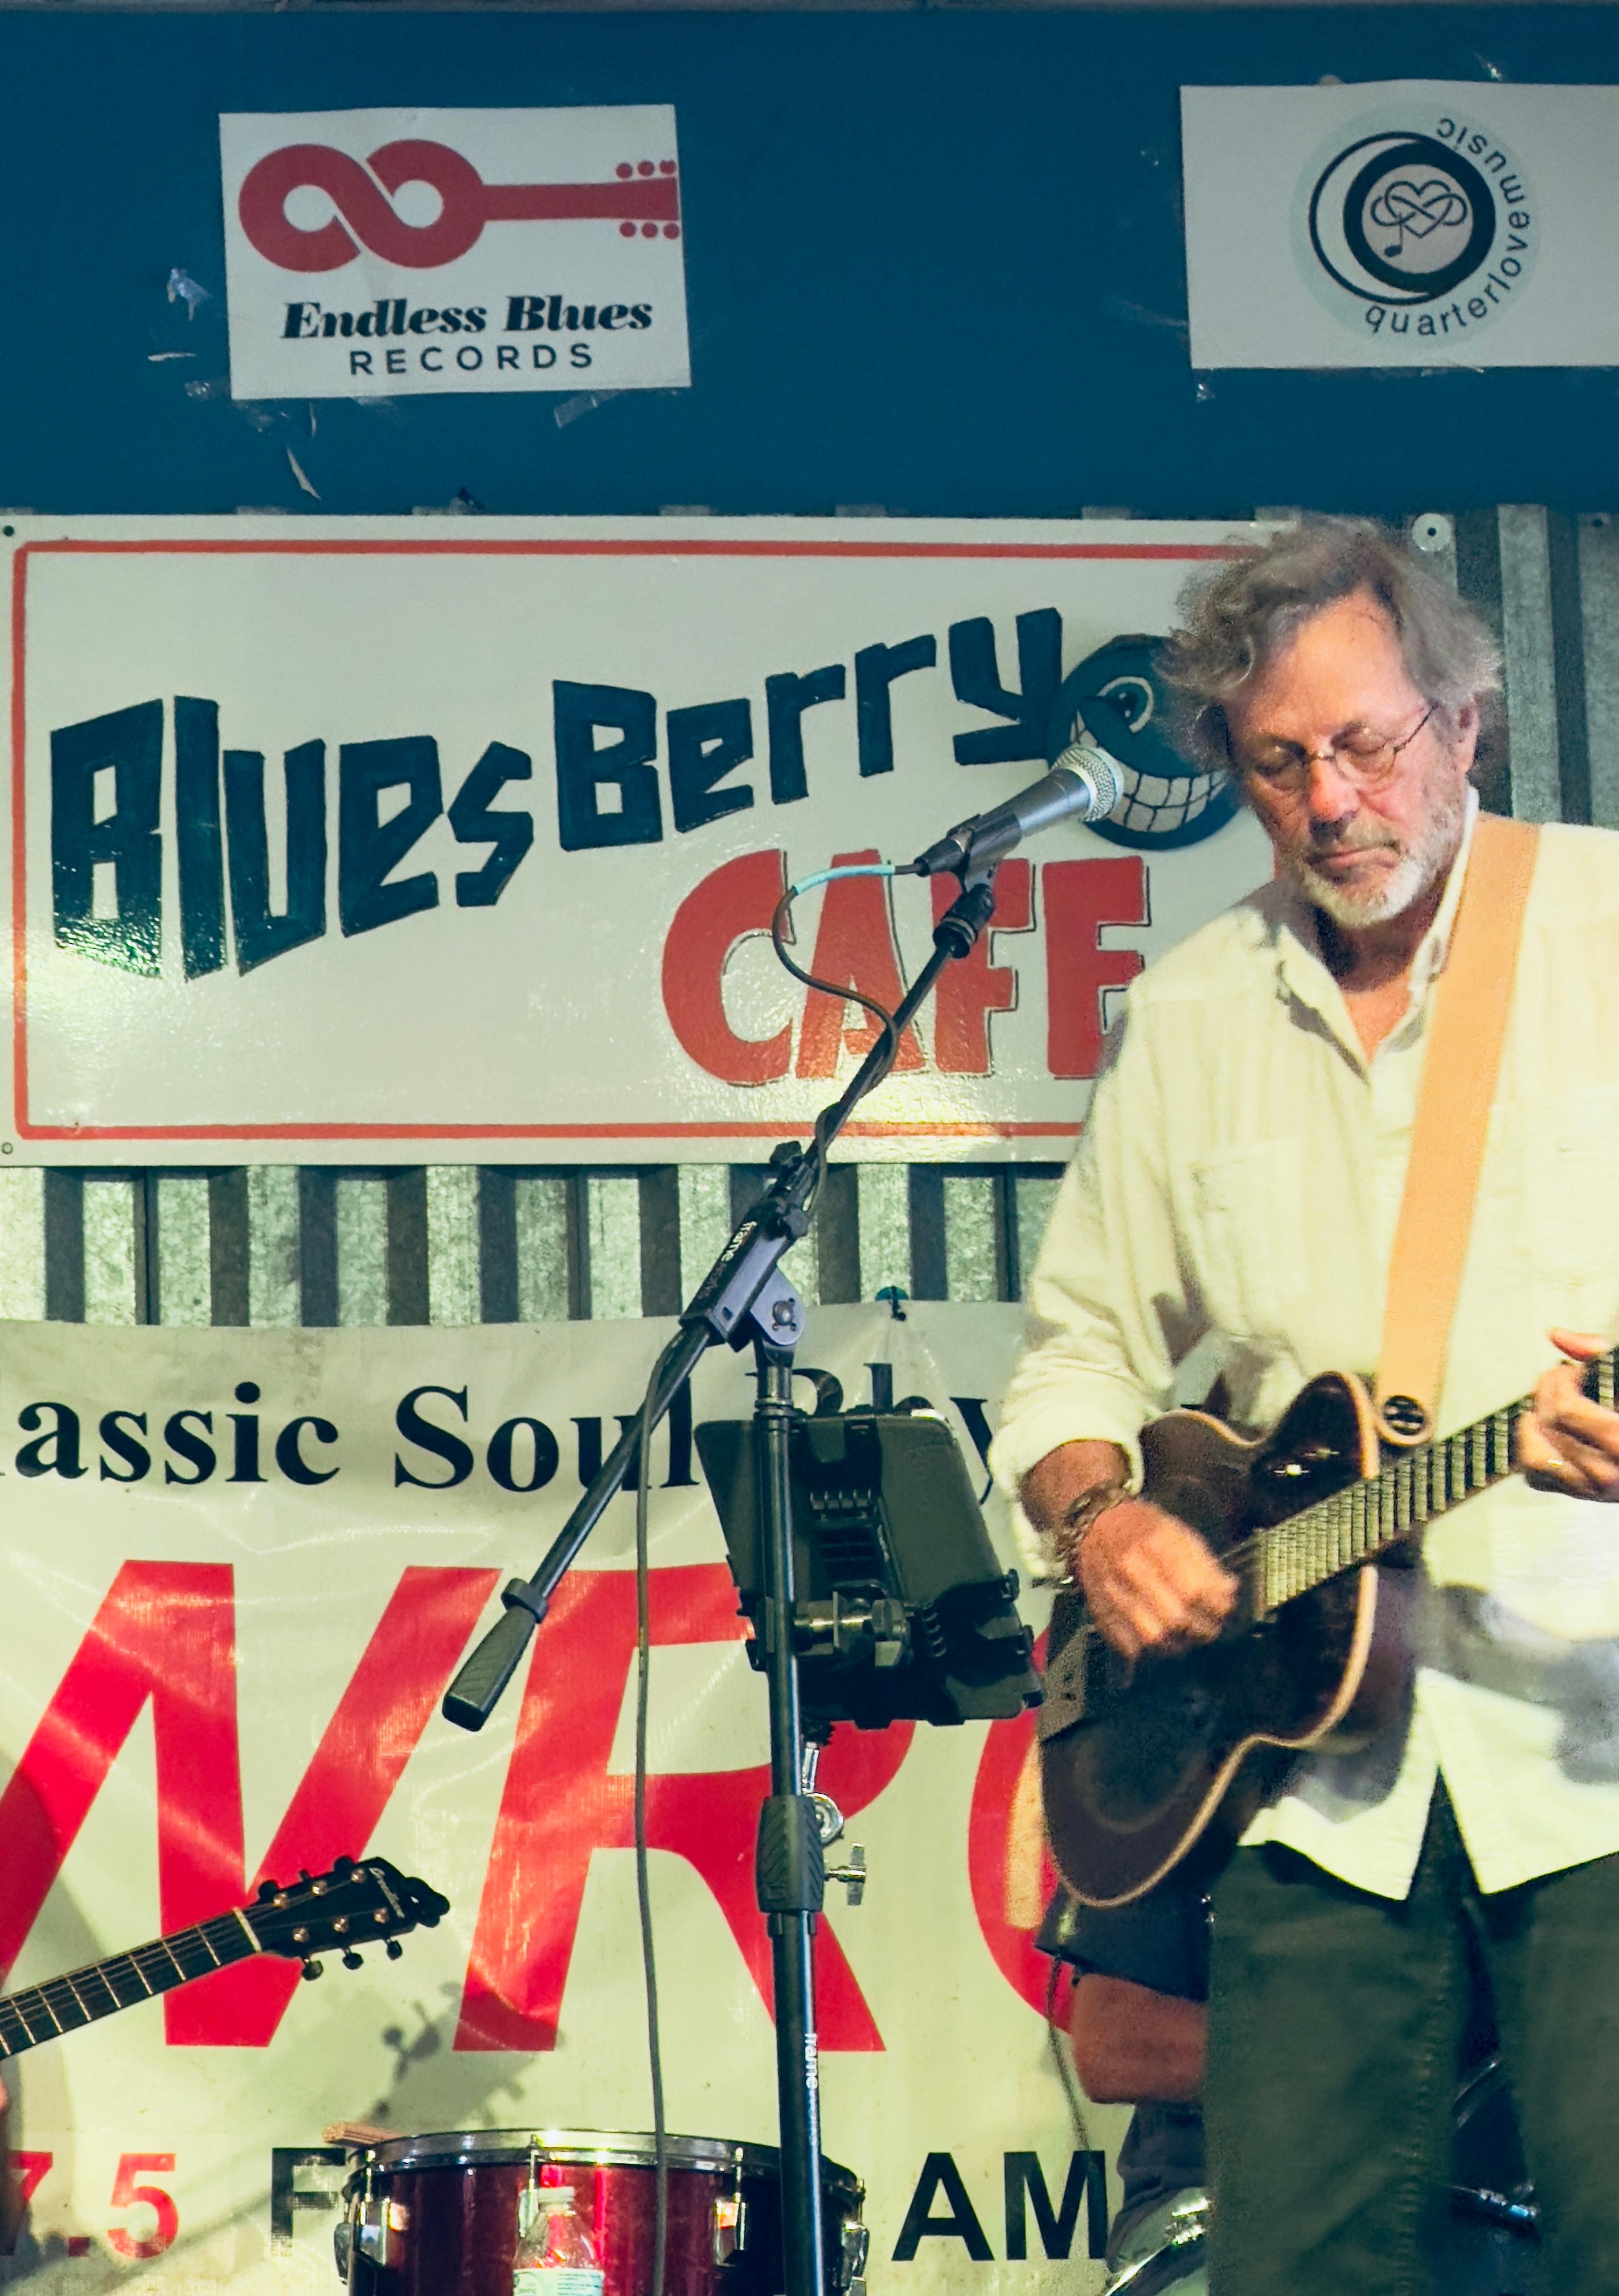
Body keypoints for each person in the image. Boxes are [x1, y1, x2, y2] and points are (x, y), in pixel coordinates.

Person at [990, 516, 1619, 2295]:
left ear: (1462, 724)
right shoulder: (1190, 1014)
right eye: (1277, 763)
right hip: (1312, 1788)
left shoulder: (1604, 928)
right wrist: (1101, 1517)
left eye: (1364, 742)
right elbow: (1072, 1359)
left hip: (1596, 1759)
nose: (1330, 800)